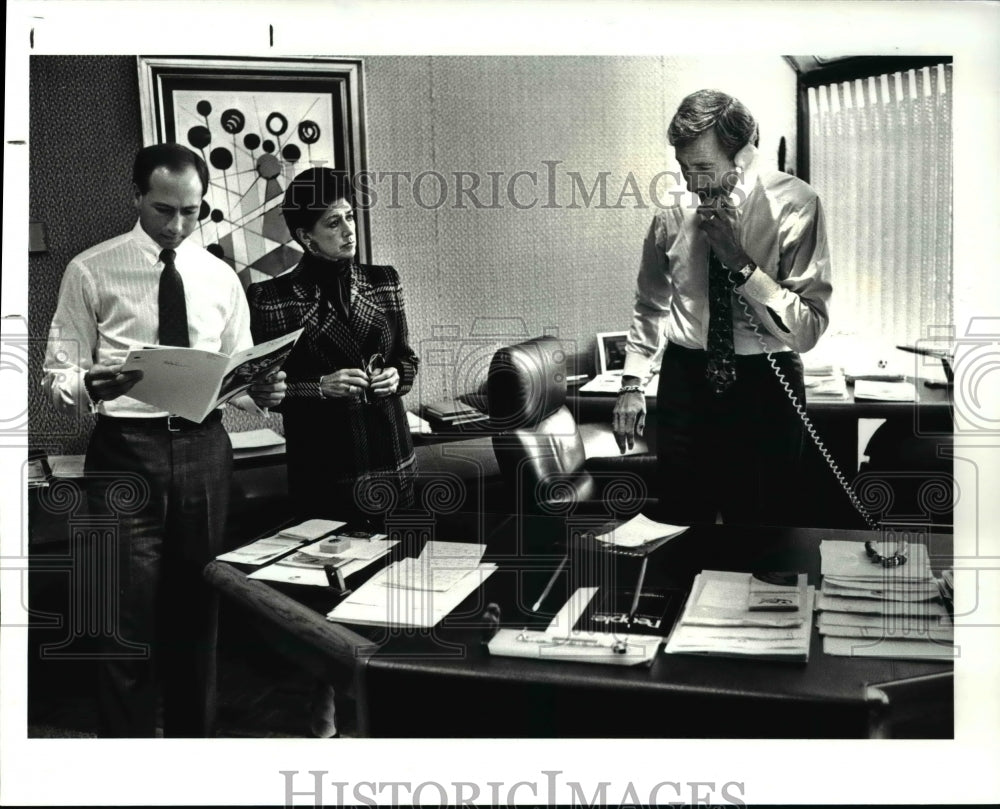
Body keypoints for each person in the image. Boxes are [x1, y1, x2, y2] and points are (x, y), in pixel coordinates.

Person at [41, 143, 287, 737]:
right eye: (162, 210)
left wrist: (265, 390)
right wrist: (86, 381)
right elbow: (57, 378)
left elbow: (239, 376)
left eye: (191, 212)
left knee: (198, 613)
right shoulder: (91, 269)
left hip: (205, 449)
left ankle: (188, 753)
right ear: (136, 199)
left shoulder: (221, 276)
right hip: (126, 453)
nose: (177, 226)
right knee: (120, 619)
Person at [613, 89, 832, 526]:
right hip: (684, 381)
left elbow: (807, 329)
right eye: (682, 166)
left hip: (765, 385)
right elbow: (651, 303)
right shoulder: (671, 213)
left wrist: (740, 262)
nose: (691, 183)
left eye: (702, 168)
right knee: (678, 520)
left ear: (744, 156)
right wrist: (632, 384)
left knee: (763, 526)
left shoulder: (796, 205)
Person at [248, 167, 420, 523]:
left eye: (350, 217)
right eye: (332, 223)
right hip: (325, 463)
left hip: (392, 455)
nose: (348, 230)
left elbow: (406, 358)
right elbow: (266, 393)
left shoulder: (384, 280)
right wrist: (321, 387)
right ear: (306, 237)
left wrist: (395, 375)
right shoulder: (272, 297)